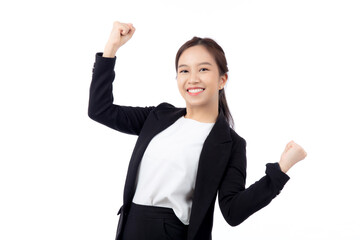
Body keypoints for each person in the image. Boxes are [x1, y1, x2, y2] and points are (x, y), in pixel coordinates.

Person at [88, 21, 307, 240]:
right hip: (130, 228)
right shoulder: (158, 117)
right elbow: (100, 110)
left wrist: (280, 170)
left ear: (222, 80)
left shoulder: (230, 143)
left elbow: (233, 211)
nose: (192, 78)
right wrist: (111, 49)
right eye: (184, 71)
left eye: (203, 69)